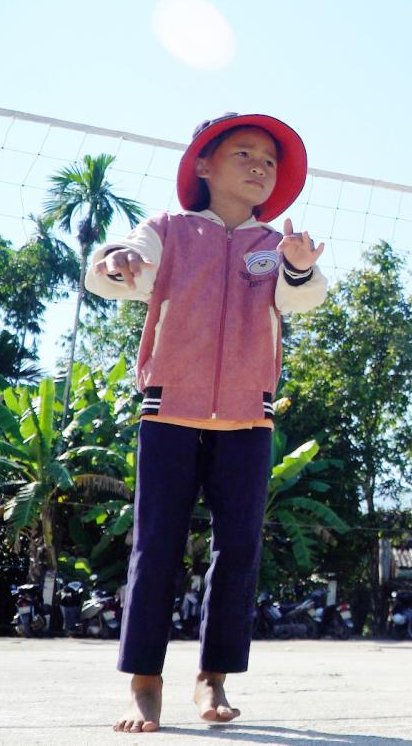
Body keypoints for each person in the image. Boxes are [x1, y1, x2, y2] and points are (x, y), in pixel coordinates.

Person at [85, 112, 328, 733]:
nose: (258, 166)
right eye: (244, 153)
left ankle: (212, 678)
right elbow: (114, 269)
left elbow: (305, 295)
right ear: (202, 165)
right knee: (155, 547)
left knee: (239, 549)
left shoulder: (276, 247)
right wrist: (116, 262)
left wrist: (298, 265)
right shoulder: (166, 230)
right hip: (169, 412)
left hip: (249, 421)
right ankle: (144, 683)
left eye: (269, 161)